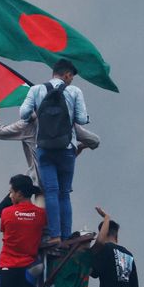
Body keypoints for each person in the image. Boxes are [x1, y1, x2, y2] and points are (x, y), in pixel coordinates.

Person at [18, 59, 89, 243]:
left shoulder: (36, 90)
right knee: (64, 193)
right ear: (66, 74)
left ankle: (54, 235)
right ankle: (65, 236)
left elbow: (23, 114)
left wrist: (36, 113)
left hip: (44, 148)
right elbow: (81, 119)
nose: (71, 79)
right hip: (66, 149)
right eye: (71, 76)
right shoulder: (74, 91)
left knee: (50, 191)